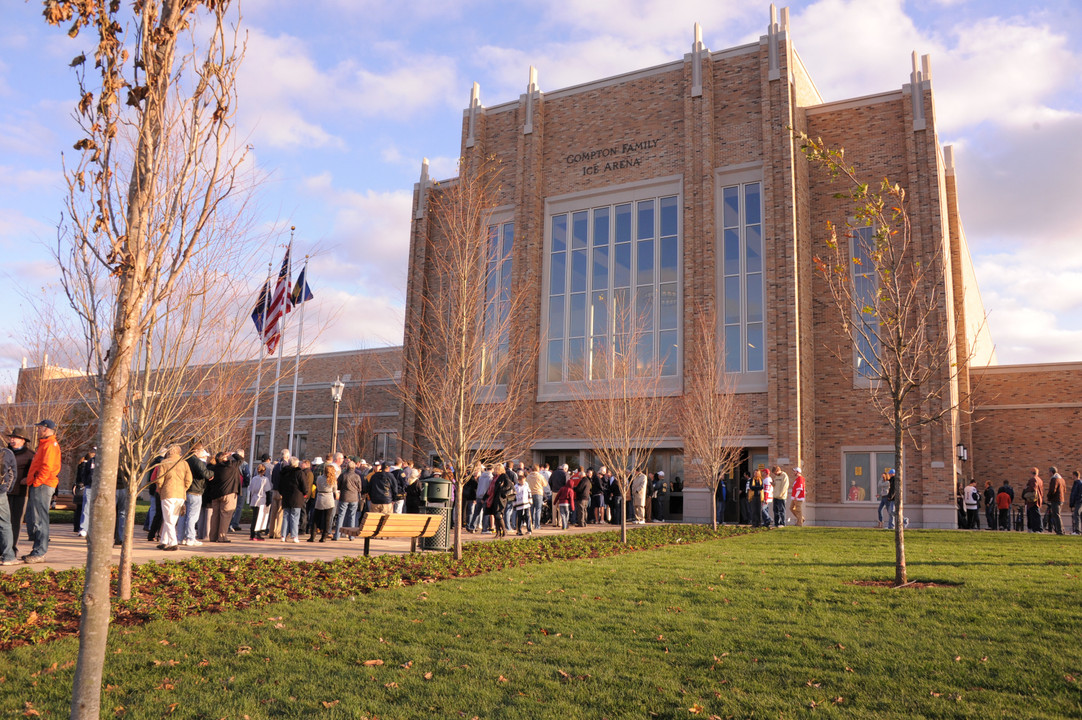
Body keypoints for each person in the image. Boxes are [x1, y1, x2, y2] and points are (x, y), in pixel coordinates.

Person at [23, 419, 61, 563]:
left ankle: (39, 552)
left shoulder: (50, 445)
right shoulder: (45, 444)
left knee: (40, 519)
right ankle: (37, 550)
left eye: (39, 428)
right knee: (36, 518)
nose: (37, 430)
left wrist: (37, 482)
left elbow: (47, 467)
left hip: (43, 485)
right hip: (40, 484)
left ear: (45, 429)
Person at [152, 444, 192, 551]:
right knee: (171, 519)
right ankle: (163, 541)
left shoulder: (164, 463)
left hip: (168, 492)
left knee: (168, 519)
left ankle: (173, 542)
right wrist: (184, 489)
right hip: (180, 494)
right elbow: (189, 479)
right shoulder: (184, 463)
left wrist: (160, 490)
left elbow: (160, 479)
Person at [5, 428, 34, 558]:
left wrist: (27, 478)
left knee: (15, 522)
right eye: (11, 437)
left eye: (15, 438)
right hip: (4, 492)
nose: (12, 440)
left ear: (23, 440)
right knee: (3, 522)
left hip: (20, 493)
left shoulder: (30, 455)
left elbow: (34, 471)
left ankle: (12, 549)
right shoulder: (5, 453)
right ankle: (3, 548)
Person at [183, 443, 211, 546]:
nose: (203, 453)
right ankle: (190, 537)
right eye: (201, 451)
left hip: (186, 490)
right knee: (192, 516)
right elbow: (205, 473)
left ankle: (182, 537)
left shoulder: (185, 460)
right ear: (196, 451)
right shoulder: (196, 461)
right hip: (195, 491)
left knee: (185, 516)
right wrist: (212, 474)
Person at [309, 461, 339, 542]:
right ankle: (324, 536)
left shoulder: (319, 478)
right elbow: (334, 490)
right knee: (327, 519)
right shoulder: (333, 480)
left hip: (320, 497)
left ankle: (313, 535)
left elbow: (318, 487)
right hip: (329, 498)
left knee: (316, 518)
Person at [333, 460, 362, 540]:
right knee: (352, 516)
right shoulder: (357, 476)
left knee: (341, 515)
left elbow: (339, 486)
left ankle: (337, 535)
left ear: (347, 467)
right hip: (354, 497)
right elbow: (360, 488)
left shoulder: (343, 475)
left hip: (344, 497)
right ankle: (351, 536)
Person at [0, 437, 18, 565]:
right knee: (5, 524)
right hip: (0, 491)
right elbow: (12, 473)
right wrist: (7, 489)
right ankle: (8, 556)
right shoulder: (6, 453)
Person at [279, 458, 305, 543]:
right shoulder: (299, 473)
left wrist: (282, 493)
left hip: (286, 496)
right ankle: (294, 536)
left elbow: (280, 485)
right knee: (295, 517)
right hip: (296, 497)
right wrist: (305, 493)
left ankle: (283, 535)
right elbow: (304, 486)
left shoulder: (284, 472)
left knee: (286, 516)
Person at [248, 463, 271, 540]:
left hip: (254, 499)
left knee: (254, 517)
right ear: (264, 471)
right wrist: (268, 501)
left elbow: (251, 490)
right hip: (261, 500)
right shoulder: (265, 479)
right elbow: (267, 491)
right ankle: (256, 533)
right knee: (259, 518)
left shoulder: (254, 479)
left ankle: (252, 533)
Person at [1045, 467, 1066, 535]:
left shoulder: (1054, 479)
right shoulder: (1061, 479)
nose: (1048, 474)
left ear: (1051, 472)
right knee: (1058, 515)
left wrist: (1049, 497)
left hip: (1055, 499)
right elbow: (1064, 490)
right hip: (1061, 499)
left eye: (1049, 472)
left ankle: (1060, 531)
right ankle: (1062, 530)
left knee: (1056, 515)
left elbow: (1052, 490)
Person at [526, 465, 547, 531]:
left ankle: (531, 524)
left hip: (530, 493)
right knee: (538, 509)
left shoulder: (528, 476)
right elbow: (545, 484)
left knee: (531, 509)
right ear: (538, 469)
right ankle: (537, 525)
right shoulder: (540, 476)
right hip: (538, 493)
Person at [1023, 467, 1043, 533]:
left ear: (1031, 473)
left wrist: (1026, 489)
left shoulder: (1033, 479)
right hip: (1038, 499)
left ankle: (1037, 529)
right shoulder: (1040, 480)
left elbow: (1032, 488)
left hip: (1033, 500)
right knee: (1036, 514)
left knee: (1034, 515)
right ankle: (1037, 528)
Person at [1069, 470, 1082, 536]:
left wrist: (1075, 501)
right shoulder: (1077, 483)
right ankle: (1078, 530)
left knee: (1076, 515)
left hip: (1078, 502)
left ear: (1075, 475)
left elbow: (1076, 494)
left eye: (1072, 475)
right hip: (1078, 501)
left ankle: (1077, 531)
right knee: (1078, 515)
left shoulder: (1078, 483)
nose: (1072, 477)